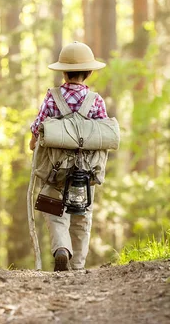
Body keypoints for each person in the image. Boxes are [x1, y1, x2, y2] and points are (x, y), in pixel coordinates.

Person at [29, 41, 108, 271]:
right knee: (83, 214)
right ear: (90, 72)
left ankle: (62, 248)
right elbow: (103, 131)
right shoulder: (96, 101)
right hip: (86, 169)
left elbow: (38, 126)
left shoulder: (53, 97)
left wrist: (33, 142)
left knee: (54, 209)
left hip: (57, 167)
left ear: (63, 72)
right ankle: (78, 266)